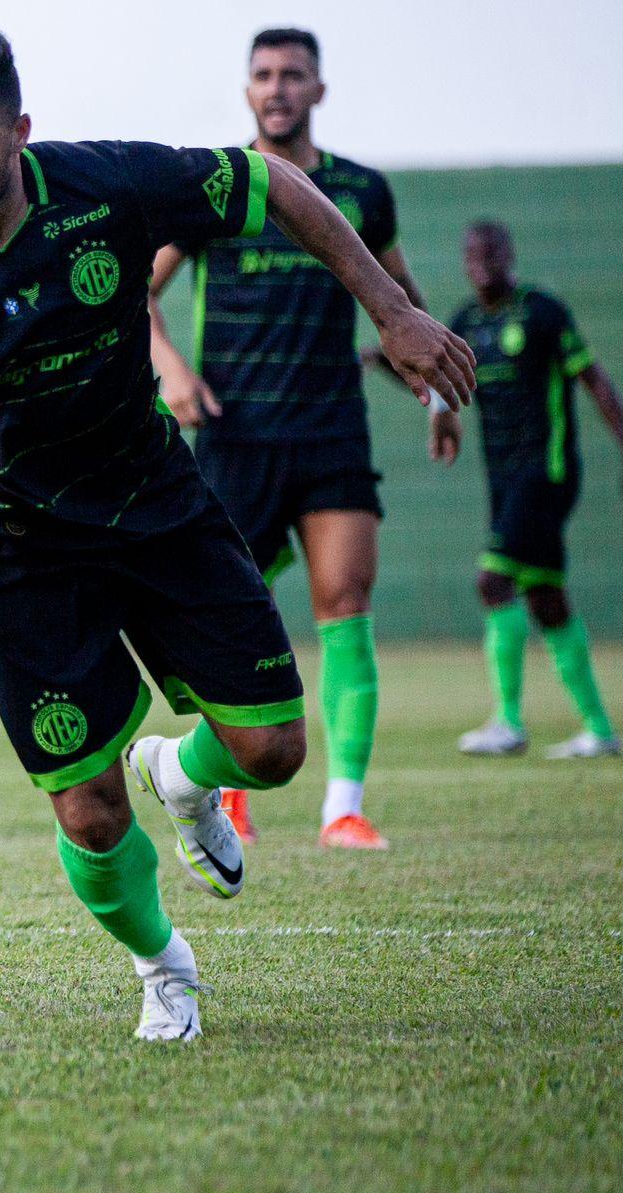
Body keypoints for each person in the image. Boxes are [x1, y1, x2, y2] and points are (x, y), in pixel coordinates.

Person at [0, 28, 472, 1040]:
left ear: (19, 132)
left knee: (268, 751)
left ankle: (181, 774)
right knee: (88, 810)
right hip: (18, 556)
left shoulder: (110, 186)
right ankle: (161, 968)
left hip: (156, 509)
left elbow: (268, 184)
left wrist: (390, 308)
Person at [148, 28, 451, 851]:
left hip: (330, 434)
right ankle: (230, 789)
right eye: (263, 75)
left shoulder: (360, 190)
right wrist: (169, 364)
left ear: (319, 90)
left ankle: (342, 809)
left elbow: (395, 297)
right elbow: (134, 294)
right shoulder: (217, 185)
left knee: (346, 601)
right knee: (227, 613)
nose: (277, 88)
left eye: (293, 75)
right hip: (235, 440)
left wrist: (436, 392)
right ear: (247, 91)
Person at [444, 221, 623, 758]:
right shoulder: (466, 323)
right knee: (545, 598)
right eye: (472, 254)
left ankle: (508, 722)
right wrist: (381, 360)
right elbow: (436, 386)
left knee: (492, 580)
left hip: (545, 473)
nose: (481, 263)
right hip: (503, 480)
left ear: (509, 255)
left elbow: (594, 380)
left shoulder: (542, 311)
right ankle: (598, 730)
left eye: (491, 252)